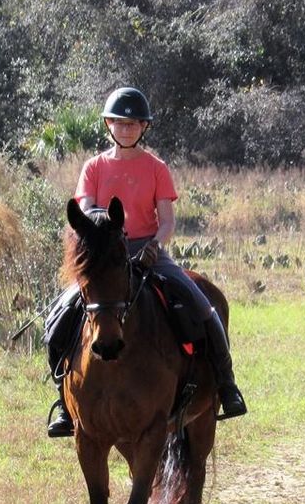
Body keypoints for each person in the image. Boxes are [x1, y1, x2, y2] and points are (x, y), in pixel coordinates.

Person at [46, 87, 246, 437]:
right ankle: (64, 404)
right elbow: (87, 210)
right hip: (106, 256)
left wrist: (155, 246)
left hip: (148, 251)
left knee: (203, 308)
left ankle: (226, 386)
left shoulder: (156, 168)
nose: (126, 129)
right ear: (108, 125)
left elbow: (167, 220)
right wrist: (105, 239)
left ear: (144, 128)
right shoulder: (93, 167)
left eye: (133, 123)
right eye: (119, 123)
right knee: (57, 317)